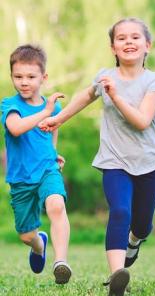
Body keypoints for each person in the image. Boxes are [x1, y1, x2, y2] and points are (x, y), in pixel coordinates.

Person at [39, 18, 155, 296]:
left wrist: (116, 95)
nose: (129, 42)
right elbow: (84, 97)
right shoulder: (105, 77)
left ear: (148, 45)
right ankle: (116, 277)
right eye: (121, 38)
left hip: (149, 164)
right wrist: (58, 119)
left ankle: (135, 241)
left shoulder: (154, 81)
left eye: (135, 37)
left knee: (143, 224)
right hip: (114, 162)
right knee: (120, 211)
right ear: (113, 47)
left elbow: (142, 121)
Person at [1, 44, 71, 284]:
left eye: (31, 76)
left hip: (46, 170)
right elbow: (16, 128)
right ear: (11, 77)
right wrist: (47, 111)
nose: (24, 82)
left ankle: (60, 262)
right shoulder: (9, 105)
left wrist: (53, 154)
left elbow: (51, 133)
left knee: (56, 205)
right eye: (18, 76)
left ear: (44, 77)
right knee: (25, 235)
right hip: (20, 178)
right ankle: (39, 245)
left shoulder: (53, 108)